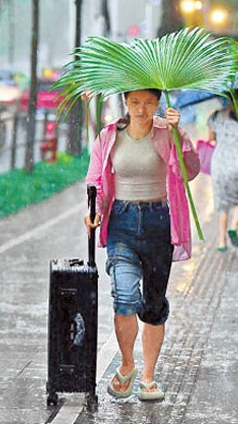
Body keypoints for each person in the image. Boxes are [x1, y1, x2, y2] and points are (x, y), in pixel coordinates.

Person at [84, 89, 200, 401]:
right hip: (121, 220)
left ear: (158, 102)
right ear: (125, 102)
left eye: (149, 102)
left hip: (158, 221)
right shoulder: (109, 136)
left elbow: (190, 171)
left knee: (153, 303)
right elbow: (96, 181)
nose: (141, 109)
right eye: (134, 102)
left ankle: (148, 377)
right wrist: (94, 211)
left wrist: (180, 136)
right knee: (123, 297)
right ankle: (127, 363)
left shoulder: (167, 132)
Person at [207, 90, 238, 251]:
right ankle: (234, 228)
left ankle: (221, 242)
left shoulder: (215, 116)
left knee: (222, 203)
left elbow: (211, 139)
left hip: (220, 161)